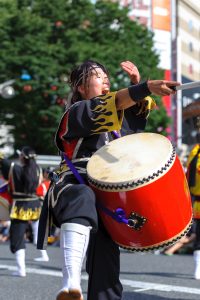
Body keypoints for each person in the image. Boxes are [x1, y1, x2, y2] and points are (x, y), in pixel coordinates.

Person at [37, 59, 180, 300]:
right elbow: (109, 104)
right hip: (74, 183)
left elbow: (131, 125)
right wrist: (144, 87)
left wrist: (137, 86)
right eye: (97, 76)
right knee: (83, 196)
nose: (105, 79)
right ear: (82, 87)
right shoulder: (76, 112)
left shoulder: (114, 123)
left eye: (107, 76)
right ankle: (70, 283)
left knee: (107, 273)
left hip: (107, 195)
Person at [0, 146, 49, 277]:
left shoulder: (15, 169)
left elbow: (2, 161)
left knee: (17, 237)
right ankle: (43, 255)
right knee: (38, 231)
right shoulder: (38, 170)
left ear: (22, 157)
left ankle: (21, 269)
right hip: (35, 205)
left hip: (20, 207)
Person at [186, 143, 200, 279]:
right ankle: (198, 267)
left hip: (197, 201)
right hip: (198, 202)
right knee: (199, 237)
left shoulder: (195, 150)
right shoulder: (196, 151)